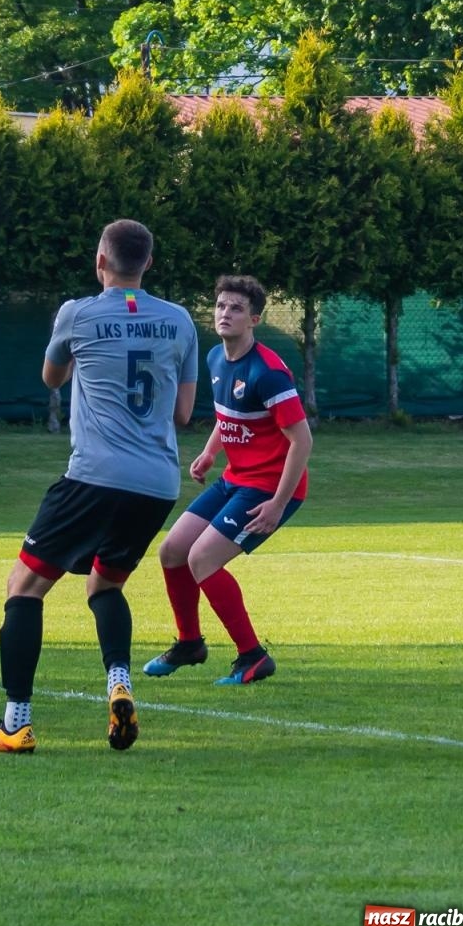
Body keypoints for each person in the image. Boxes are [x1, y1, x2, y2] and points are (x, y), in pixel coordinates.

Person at [0, 220, 197, 755]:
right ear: (147, 263)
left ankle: (16, 724)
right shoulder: (180, 320)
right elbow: (185, 413)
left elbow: (51, 378)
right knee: (104, 586)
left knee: (23, 589)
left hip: (94, 476)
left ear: (101, 260)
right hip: (157, 484)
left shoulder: (77, 313)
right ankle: (118, 682)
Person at [144, 275, 312, 687]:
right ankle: (189, 643)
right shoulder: (216, 358)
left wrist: (277, 504)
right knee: (172, 551)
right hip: (235, 479)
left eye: (236, 308)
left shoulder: (268, 373)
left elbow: (302, 440)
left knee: (202, 559)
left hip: (269, 487)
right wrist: (210, 451)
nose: (225, 314)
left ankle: (252, 656)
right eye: (221, 306)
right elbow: (231, 414)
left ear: (254, 319)